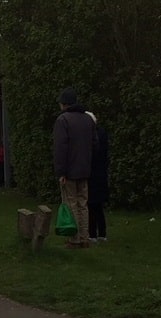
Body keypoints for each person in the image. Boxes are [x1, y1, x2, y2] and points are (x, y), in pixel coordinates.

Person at [54, 87, 97, 249]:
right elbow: (95, 144)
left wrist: (61, 171)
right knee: (83, 203)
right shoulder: (88, 120)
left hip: (69, 170)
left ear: (64, 104)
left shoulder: (63, 120)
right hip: (85, 168)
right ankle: (85, 237)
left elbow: (60, 148)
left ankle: (75, 238)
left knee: (71, 202)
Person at [85, 111, 109, 242]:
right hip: (101, 173)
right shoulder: (102, 133)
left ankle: (92, 233)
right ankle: (102, 233)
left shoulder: (91, 135)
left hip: (92, 173)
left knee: (91, 205)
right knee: (98, 206)